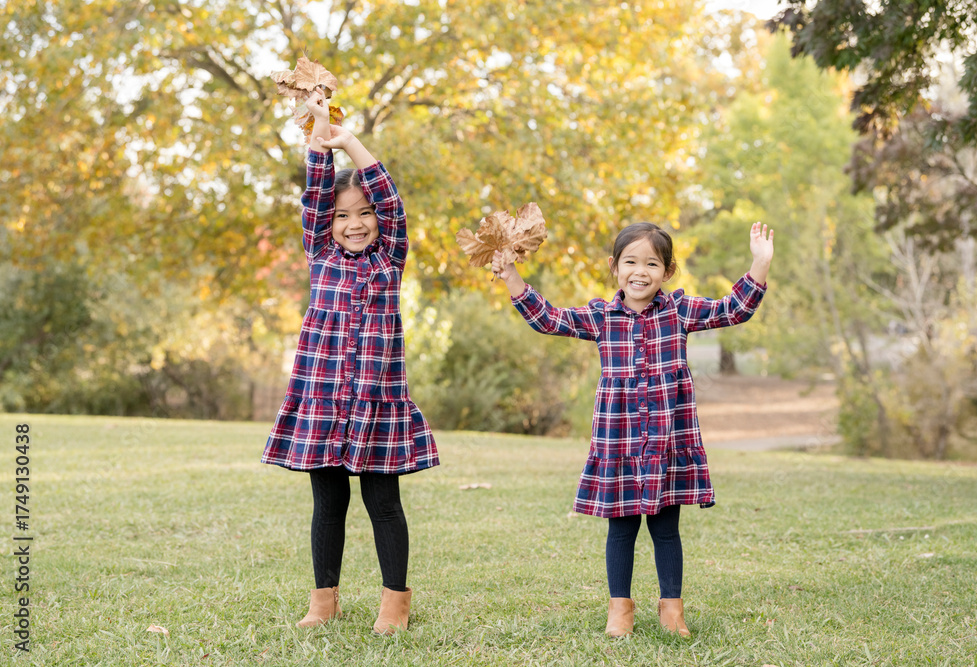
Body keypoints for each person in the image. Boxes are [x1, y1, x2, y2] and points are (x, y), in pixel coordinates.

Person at [491, 221, 773, 638]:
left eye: (652, 263)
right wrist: (511, 275)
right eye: (631, 262)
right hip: (618, 441)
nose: (640, 271)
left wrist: (760, 263)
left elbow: (733, 308)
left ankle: (671, 609)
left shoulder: (678, 312)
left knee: (665, 528)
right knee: (620, 527)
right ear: (614, 266)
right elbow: (548, 319)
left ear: (667, 271)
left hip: (665, 441)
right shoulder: (601, 316)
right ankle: (619, 610)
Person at [262, 88, 438, 635]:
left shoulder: (390, 259)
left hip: (377, 402)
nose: (355, 223)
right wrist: (320, 141)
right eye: (344, 216)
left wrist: (349, 142)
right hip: (322, 398)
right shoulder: (320, 253)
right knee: (327, 502)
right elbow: (315, 195)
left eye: (364, 215)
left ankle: (395, 606)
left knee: (383, 504)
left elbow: (392, 203)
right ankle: (324, 602)